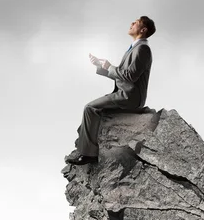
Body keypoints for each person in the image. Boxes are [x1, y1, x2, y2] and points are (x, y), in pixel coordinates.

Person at [66, 16, 156, 165]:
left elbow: (129, 76)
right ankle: (86, 144)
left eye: (136, 22)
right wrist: (101, 67)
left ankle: (89, 154)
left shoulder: (142, 49)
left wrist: (110, 67)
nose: (131, 23)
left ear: (143, 29)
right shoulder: (135, 48)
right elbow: (123, 76)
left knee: (90, 108)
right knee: (93, 110)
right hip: (124, 94)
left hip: (130, 98)